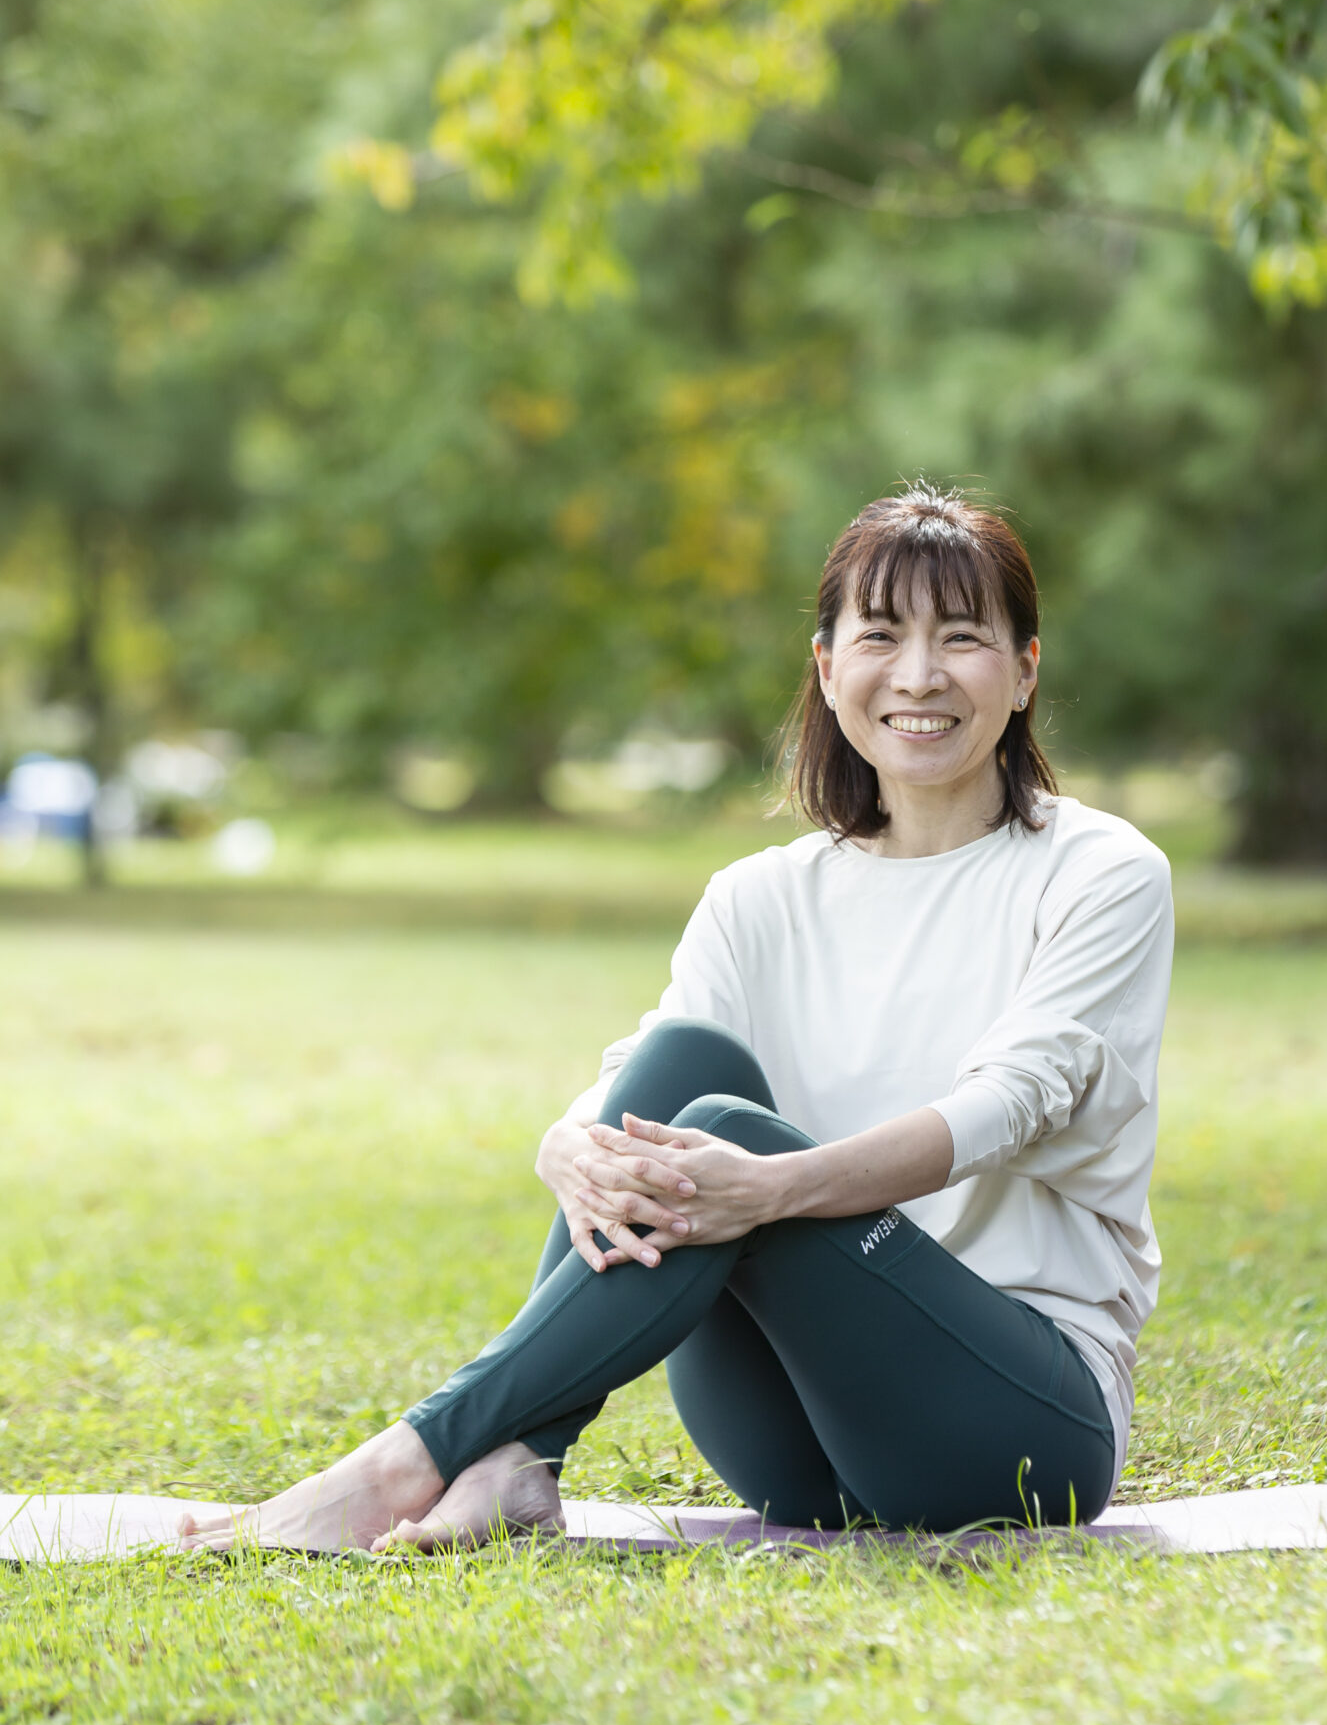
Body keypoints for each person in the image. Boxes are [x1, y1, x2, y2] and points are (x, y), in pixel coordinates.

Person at [181, 485, 1173, 1553]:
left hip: (1010, 1432)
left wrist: (775, 1185)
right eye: (880, 635)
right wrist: (566, 1144)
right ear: (826, 668)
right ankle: (521, 1458)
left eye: (962, 638)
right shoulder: (761, 896)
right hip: (791, 1446)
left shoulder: (1099, 873)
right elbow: (642, 1073)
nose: (919, 674)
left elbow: (1011, 1102)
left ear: (1024, 670)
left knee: (729, 1134)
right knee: (684, 1064)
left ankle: (406, 1463)